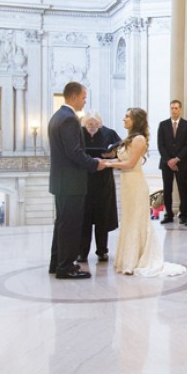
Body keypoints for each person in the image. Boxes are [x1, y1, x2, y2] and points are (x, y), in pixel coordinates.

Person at [106, 107, 187, 277]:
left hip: (135, 184)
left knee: (136, 220)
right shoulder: (129, 139)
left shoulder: (139, 139)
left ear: (136, 120)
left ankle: (136, 259)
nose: (124, 119)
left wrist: (107, 164)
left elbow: (130, 163)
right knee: (128, 220)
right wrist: (104, 160)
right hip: (127, 184)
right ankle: (127, 258)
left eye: (127, 116)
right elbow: (122, 159)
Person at [48, 82, 106, 279]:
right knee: (71, 225)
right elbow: (74, 152)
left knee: (62, 223)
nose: (85, 101)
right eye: (83, 97)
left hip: (61, 182)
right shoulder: (70, 119)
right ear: (73, 97)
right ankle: (66, 267)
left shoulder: (57, 117)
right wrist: (94, 164)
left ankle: (56, 263)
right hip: (71, 182)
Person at [78, 111, 120, 263]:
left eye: (95, 124)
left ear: (100, 124)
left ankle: (102, 251)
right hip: (84, 182)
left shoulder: (109, 133)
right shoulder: (79, 133)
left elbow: (120, 151)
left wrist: (111, 155)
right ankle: (82, 252)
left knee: (102, 219)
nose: (92, 127)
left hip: (103, 182)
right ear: (84, 124)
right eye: (89, 124)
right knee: (85, 220)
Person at [157, 99, 187, 224]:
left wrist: (176, 159)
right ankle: (168, 214)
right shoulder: (163, 124)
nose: (174, 110)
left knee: (183, 189)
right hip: (166, 164)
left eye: (176, 108)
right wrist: (169, 161)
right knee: (167, 189)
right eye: (172, 108)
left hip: (181, 163)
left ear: (180, 109)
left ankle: (183, 214)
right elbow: (160, 145)